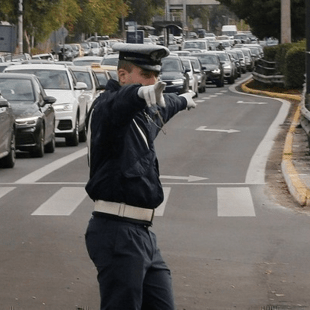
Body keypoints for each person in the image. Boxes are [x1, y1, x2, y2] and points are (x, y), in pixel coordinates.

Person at [84, 42, 197, 310]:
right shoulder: (107, 110)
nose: (154, 81)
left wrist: (181, 100)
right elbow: (119, 102)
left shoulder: (143, 113)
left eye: (156, 76)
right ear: (123, 76)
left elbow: (163, 105)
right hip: (116, 230)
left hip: (142, 233)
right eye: (146, 75)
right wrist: (139, 94)